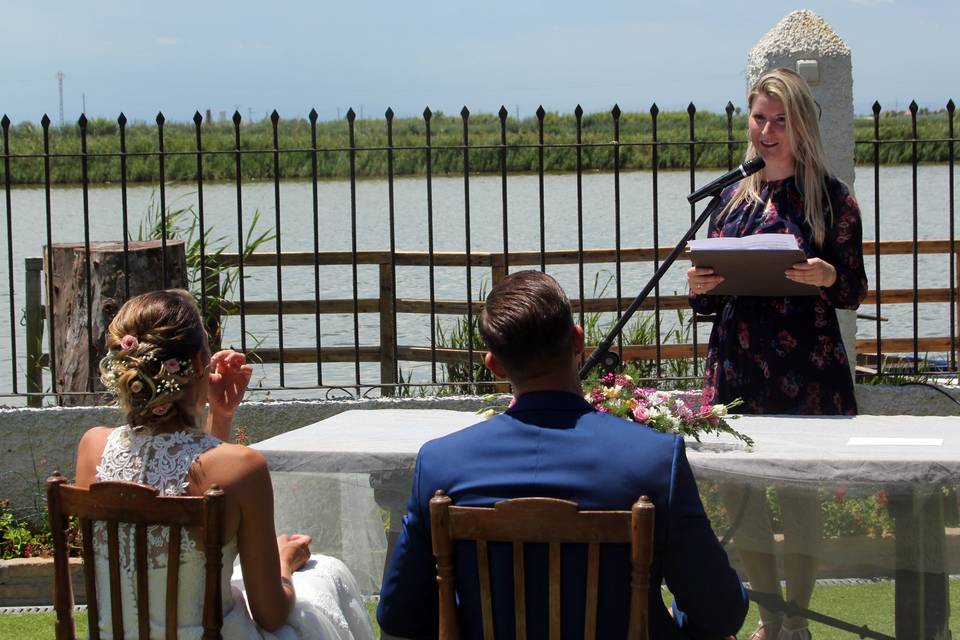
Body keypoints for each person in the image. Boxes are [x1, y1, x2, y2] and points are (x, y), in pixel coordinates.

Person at [377, 270, 748, 639]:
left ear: (494, 366)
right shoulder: (653, 459)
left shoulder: (440, 464)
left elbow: (399, 616)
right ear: (577, 340)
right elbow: (721, 611)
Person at [74, 289, 373, 640]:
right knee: (328, 573)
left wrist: (220, 415)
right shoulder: (243, 466)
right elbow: (271, 614)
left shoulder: (92, 447)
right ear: (200, 365)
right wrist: (284, 561)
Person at [687, 68, 868, 640]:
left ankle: (799, 618)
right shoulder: (733, 199)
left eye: (780, 121)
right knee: (741, 495)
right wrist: (702, 290)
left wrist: (825, 272)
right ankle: (769, 617)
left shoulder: (832, 199)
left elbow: (853, 290)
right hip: (738, 364)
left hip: (805, 368)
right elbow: (711, 305)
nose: (767, 131)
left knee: (799, 499)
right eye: (759, 118)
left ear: (803, 125)